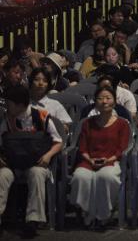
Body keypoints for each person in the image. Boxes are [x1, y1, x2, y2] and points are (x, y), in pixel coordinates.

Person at [0, 85, 63, 237]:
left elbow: (58, 142)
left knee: (36, 174)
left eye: (9, 104)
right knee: (2, 176)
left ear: (20, 105)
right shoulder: (7, 121)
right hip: (12, 164)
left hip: (37, 163)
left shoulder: (42, 116)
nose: (7, 108)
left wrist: (48, 156)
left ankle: (32, 221)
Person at [70, 86, 130, 228]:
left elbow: (122, 148)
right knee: (81, 176)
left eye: (108, 98)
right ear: (95, 102)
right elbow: (82, 147)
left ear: (114, 101)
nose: (104, 101)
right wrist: (90, 160)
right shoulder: (87, 123)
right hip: (88, 161)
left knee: (105, 177)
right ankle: (88, 212)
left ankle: (103, 214)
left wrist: (108, 160)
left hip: (111, 161)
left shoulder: (122, 124)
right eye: (100, 98)